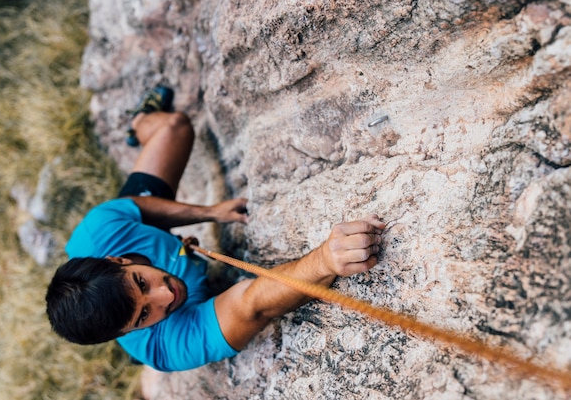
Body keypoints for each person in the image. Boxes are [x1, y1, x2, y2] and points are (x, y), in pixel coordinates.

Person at [45, 86, 386, 372]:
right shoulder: (165, 347)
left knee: (175, 127)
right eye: (144, 314)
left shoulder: (98, 232)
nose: (166, 295)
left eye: (141, 282)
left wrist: (209, 213)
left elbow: (140, 208)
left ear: (117, 260)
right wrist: (325, 261)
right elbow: (251, 306)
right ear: (127, 331)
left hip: (133, 231)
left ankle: (139, 121)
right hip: (176, 311)